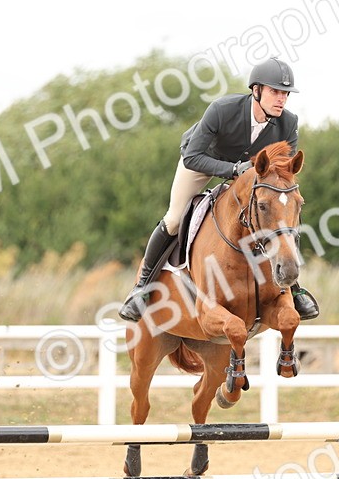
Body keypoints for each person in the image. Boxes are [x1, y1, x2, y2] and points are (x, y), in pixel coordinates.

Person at [117, 57, 320, 322]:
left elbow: (282, 173)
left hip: (250, 175)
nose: (281, 99)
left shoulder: (288, 123)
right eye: (275, 92)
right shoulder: (223, 110)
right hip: (204, 162)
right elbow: (192, 157)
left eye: (285, 93)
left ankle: (292, 287)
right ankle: (141, 289)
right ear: (256, 91)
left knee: (284, 215)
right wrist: (233, 170)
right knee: (175, 217)